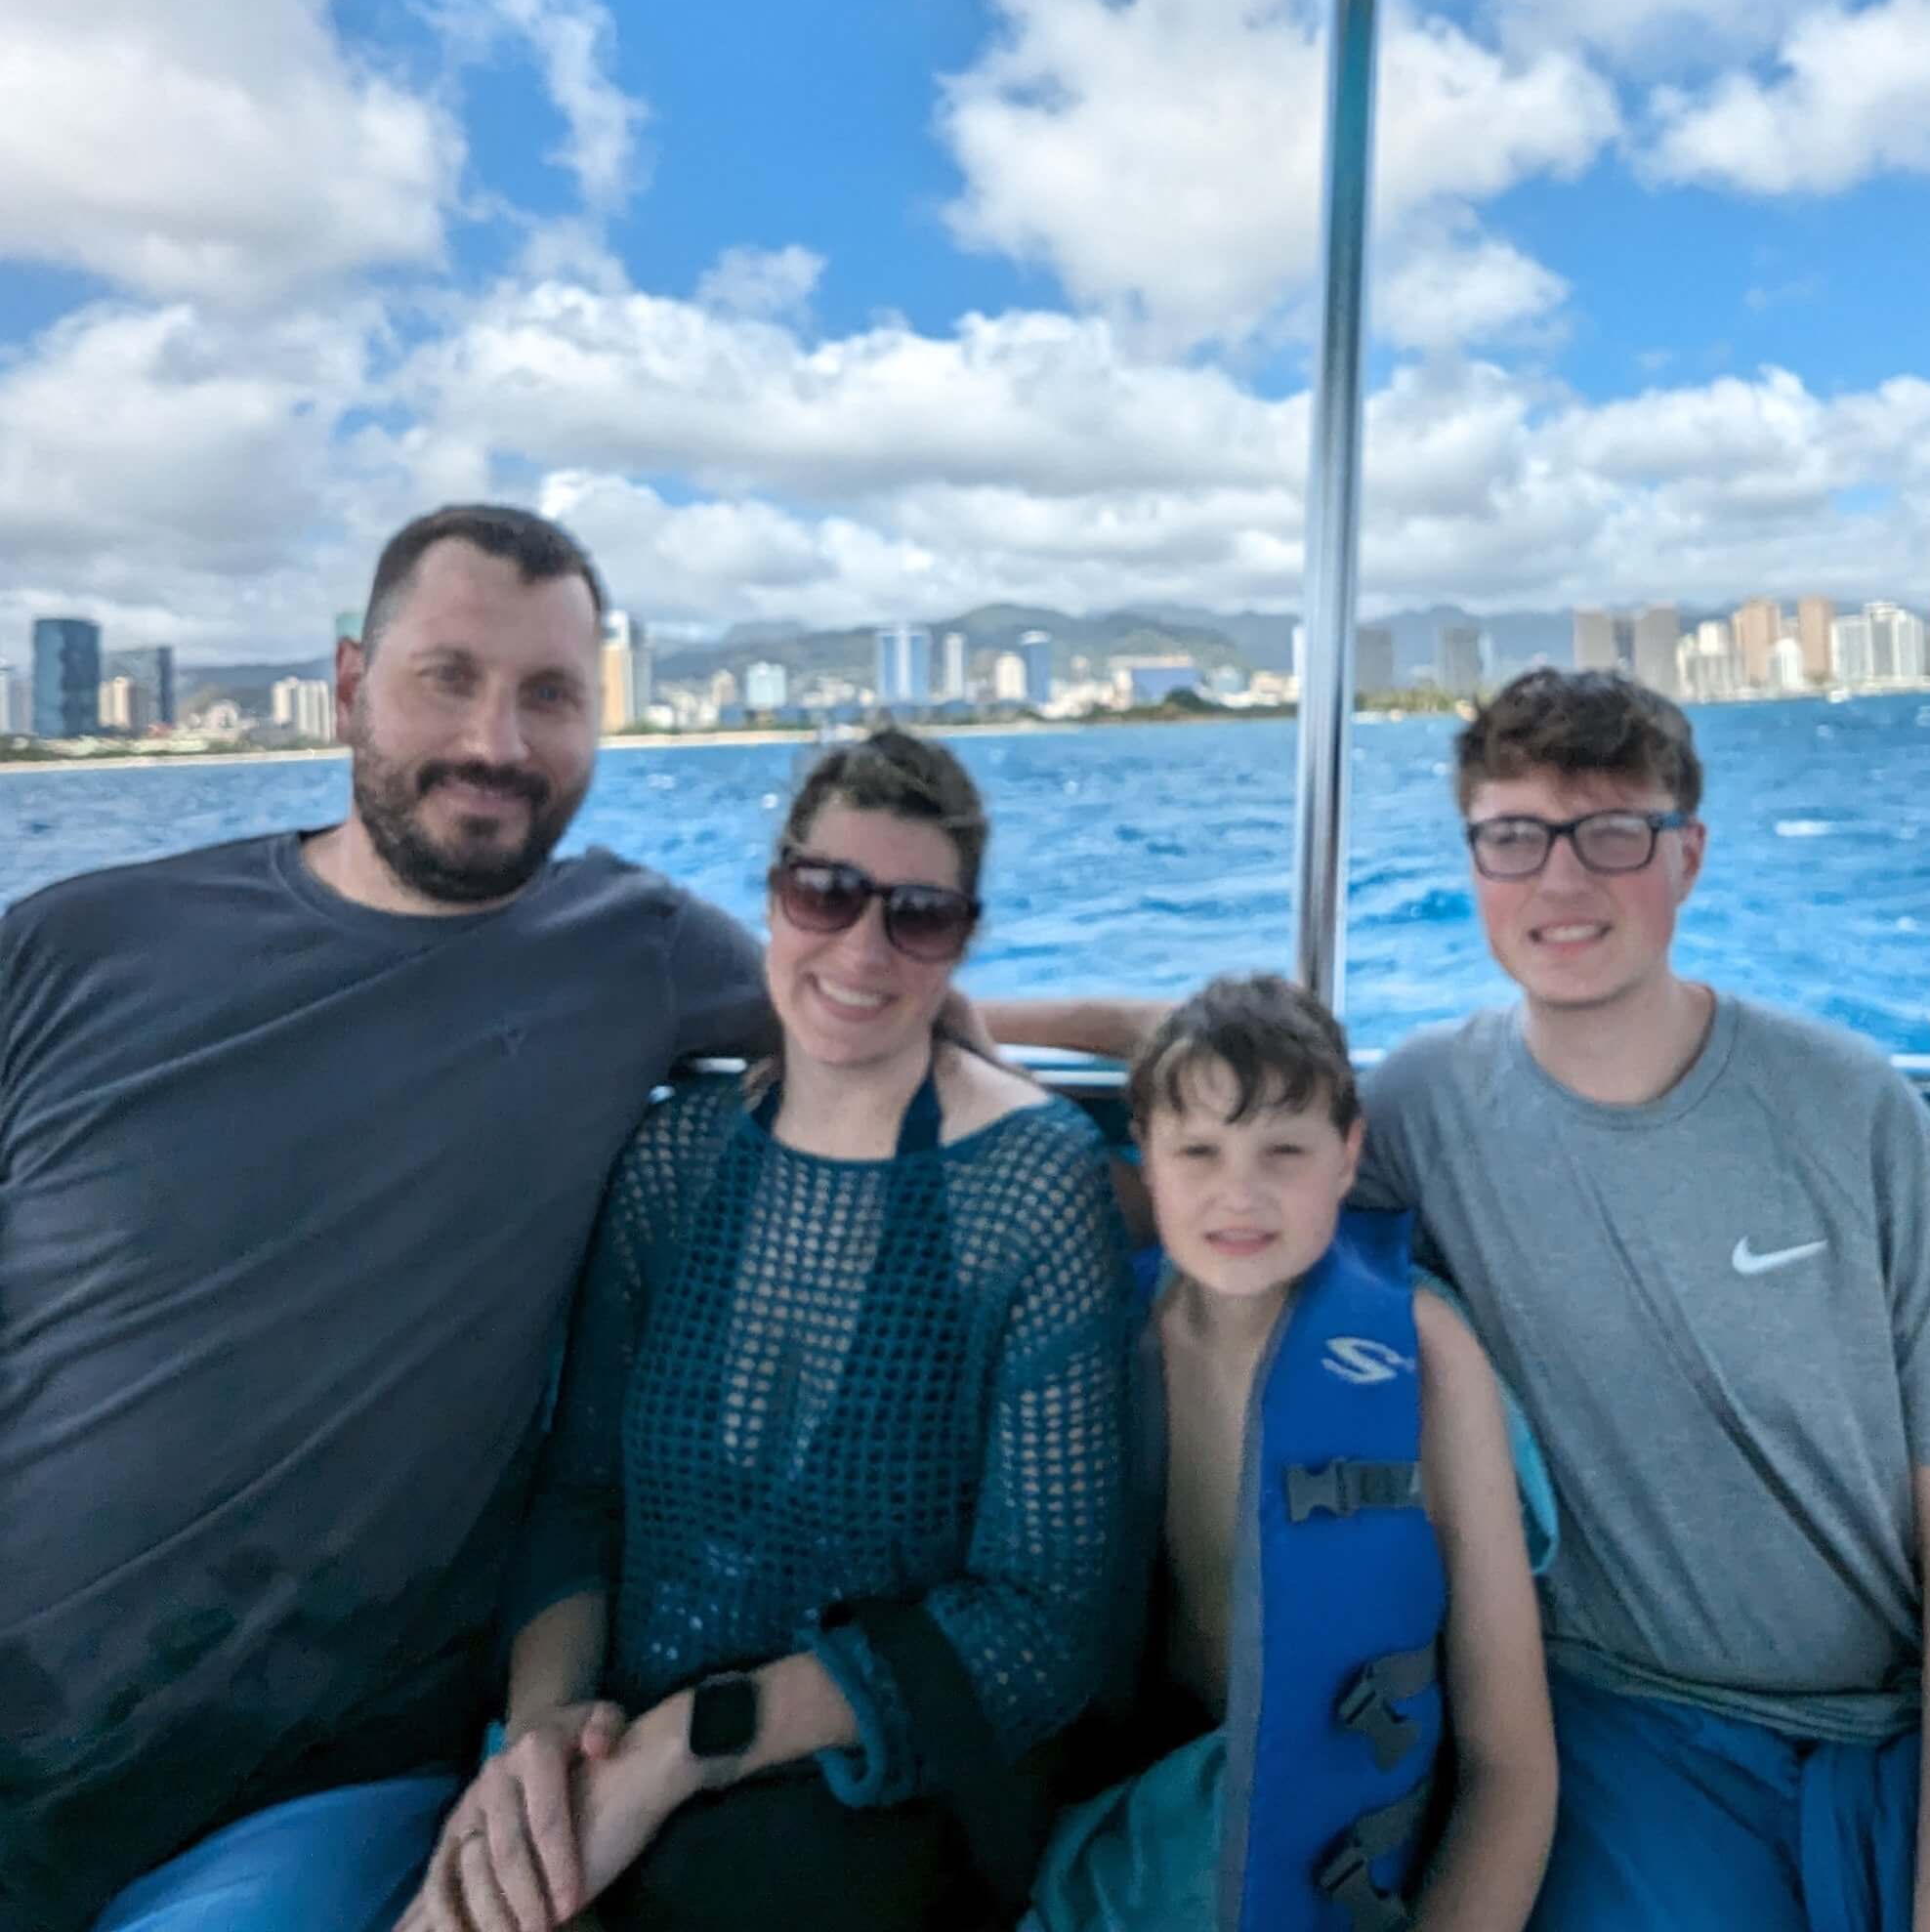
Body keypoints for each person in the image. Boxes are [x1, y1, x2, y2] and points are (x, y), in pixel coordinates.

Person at [991, 667, 1930, 1931]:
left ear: (1688, 856)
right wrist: (982, 1013)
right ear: (1475, 864)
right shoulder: (1420, 1114)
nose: (1562, 881)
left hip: (1910, 1721)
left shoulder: (1852, 1110)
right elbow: (1224, 1087)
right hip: (1631, 1737)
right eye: (1516, 839)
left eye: (1613, 834)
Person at [0, 506, 775, 1932]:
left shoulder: (634, 952)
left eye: (551, 695)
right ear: (349, 684)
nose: (498, 742)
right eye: (448, 678)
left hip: (297, 1787)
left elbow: (877, 1008)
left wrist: (1170, 1053)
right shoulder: (69, 954)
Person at [410, 730, 1131, 1932]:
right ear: (774, 895)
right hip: (621, 1736)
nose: (862, 946)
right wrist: (543, 1737)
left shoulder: (1028, 1185)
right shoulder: (676, 1160)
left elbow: (1043, 1622)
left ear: (962, 939)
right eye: (827, 893)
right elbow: (582, 1499)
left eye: (918, 916)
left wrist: (694, 1744)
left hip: (876, 1770)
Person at [1023, 973, 1556, 1932]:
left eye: (1284, 1150)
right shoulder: (1104, 1321)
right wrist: (1111, 1023)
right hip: (1135, 1840)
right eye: (1198, 1149)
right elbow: (934, 1062)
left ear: (1348, 1155)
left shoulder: (1426, 1358)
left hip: (1337, 1864)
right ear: (1145, 1155)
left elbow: (1511, 1764)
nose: (1240, 1192)